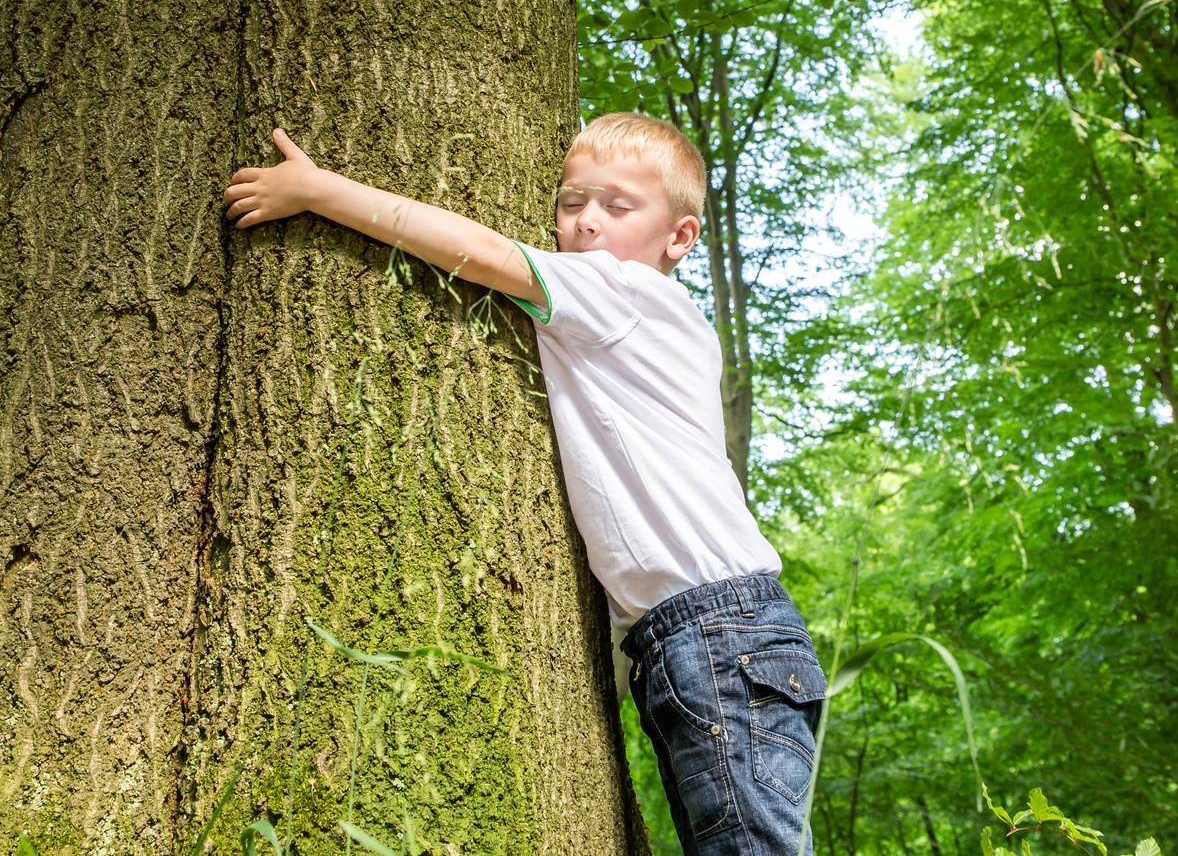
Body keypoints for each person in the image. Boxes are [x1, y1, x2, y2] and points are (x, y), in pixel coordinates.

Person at [223, 111, 827, 855]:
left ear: (679, 238)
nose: (586, 223)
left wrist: (317, 191)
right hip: (712, 636)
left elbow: (474, 251)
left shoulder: (623, 294)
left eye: (617, 205)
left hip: (718, 633)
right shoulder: (649, 318)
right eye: (572, 202)